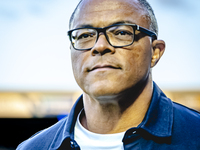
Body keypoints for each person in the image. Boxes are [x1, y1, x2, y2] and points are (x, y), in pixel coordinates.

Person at [17, 0, 200, 149]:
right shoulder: (34, 148)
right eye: (85, 35)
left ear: (155, 52)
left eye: (121, 32)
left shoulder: (195, 136)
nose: (100, 46)